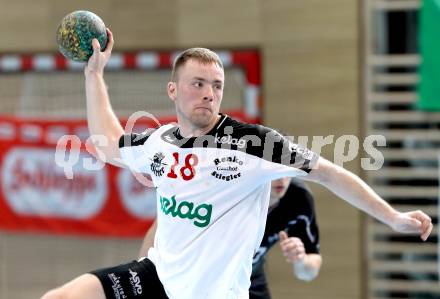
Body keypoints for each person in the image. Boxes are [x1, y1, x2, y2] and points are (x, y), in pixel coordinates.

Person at [41, 29, 432, 299]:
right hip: (157, 280)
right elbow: (109, 144)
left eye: (217, 86)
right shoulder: (159, 141)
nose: (209, 94)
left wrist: (393, 218)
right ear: (173, 90)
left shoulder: (252, 143)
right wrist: (94, 75)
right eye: (198, 84)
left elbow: (330, 173)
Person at [138, 177, 322, 299]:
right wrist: (144, 274)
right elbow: (162, 225)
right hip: (202, 273)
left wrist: (301, 260)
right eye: (275, 168)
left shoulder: (298, 198)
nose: (281, 179)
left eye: (286, 170)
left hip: (249, 274)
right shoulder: (230, 187)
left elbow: (309, 272)